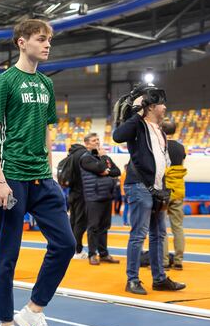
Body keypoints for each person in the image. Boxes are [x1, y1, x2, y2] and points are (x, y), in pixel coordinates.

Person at [0, 19, 76, 326]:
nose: (47, 44)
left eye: (49, 39)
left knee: (66, 244)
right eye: (41, 38)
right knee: (8, 256)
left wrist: (50, 173)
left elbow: (47, 132)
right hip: (12, 179)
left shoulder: (47, 84)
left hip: (42, 179)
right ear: (22, 42)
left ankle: (34, 311)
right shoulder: (4, 81)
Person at [112, 84, 185, 295]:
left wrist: (164, 188)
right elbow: (118, 136)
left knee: (159, 235)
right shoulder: (138, 125)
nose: (165, 108)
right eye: (161, 104)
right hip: (139, 186)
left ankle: (159, 279)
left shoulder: (159, 130)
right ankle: (132, 280)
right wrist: (137, 112)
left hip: (157, 188)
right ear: (151, 106)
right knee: (138, 235)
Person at [78, 134, 120, 265]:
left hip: (107, 195)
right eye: (93, 140)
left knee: (104, 227)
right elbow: (101, 168)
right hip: (93, 197)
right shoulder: (86, 158)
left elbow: (117, 171)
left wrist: (106, 170)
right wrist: (104, 160)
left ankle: (104, 254)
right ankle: (92, 254)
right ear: (87, 144)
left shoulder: (102, 157)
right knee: (94, 227)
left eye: (98, 140)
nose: (97, 142)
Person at [162, 119, 186, 270]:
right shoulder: (181, 147)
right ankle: (178, 261)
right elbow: (181, 166)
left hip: (163, 189)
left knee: (161, 228)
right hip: (178, 189)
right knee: (178, 227)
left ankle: (164, 261)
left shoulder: (160, 145)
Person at [66, 138, 92, 259]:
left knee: (73, 221)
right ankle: (77, 250)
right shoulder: (83, 155)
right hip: (82, 193)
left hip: (71, 192)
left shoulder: (70, 155)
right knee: (80, 222)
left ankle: (71, 248)